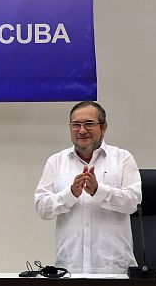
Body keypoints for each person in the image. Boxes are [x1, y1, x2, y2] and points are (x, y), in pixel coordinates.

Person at [35, 101, 141, 275]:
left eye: (89, 124)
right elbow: (42, 208)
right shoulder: (56, 162)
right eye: (76, 125)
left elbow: (132, 203)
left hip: (114, 270)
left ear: (104, 127)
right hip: (69, 270)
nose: (82, 130)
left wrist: (99, 191)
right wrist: (70, 194)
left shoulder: (122, 158)